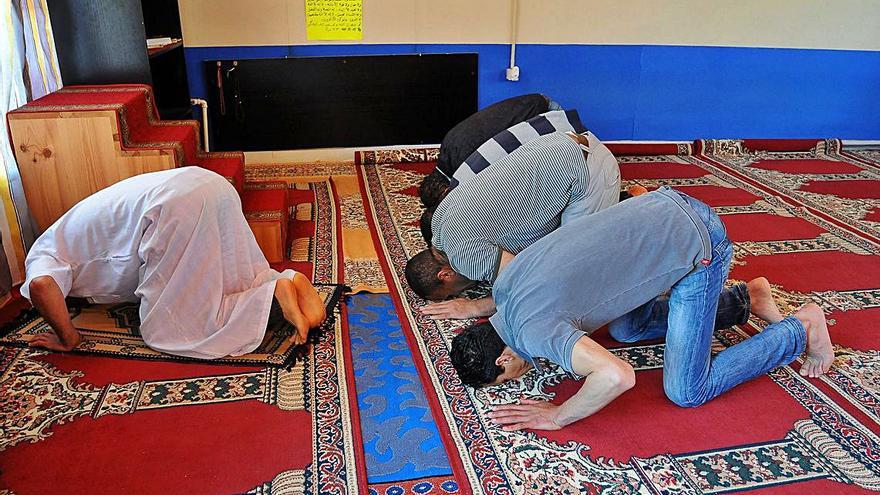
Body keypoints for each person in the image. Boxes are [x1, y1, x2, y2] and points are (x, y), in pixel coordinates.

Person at [449, 187, 834, 431]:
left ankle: (801, 328)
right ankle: (747, 299)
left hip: (698, 243)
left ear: (502, 359)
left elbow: (618, 377)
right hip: (659, 205)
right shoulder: (505, 287)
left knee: (687, 390)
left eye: (509, 378)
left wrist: (558, 415)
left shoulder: (533, 333)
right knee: (626, 331)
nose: (518, 378)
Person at [22, 167, 326, 359]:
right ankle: (280, 284)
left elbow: (41, 286)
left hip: (174, 205)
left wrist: (68, 338)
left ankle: (270, 295)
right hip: (206, 181)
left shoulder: (43, 252)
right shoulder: (68, 229)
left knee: (168, 329)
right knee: (227, 279)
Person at [406, 131, 621, 318]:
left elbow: (530, 282)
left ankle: (632, 208)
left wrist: (475, 307)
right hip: (560, 142)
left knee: (567, 275)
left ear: (445, 275)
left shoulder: (464, 257)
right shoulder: (439, 219)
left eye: (451, 294)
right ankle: (622, 202)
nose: (459, 295)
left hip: (591, 170)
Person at [420, 93, 568, 210]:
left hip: (544, 113)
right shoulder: (447, 148)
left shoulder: (463, 165)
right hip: (534, 102)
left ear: (445, 192)